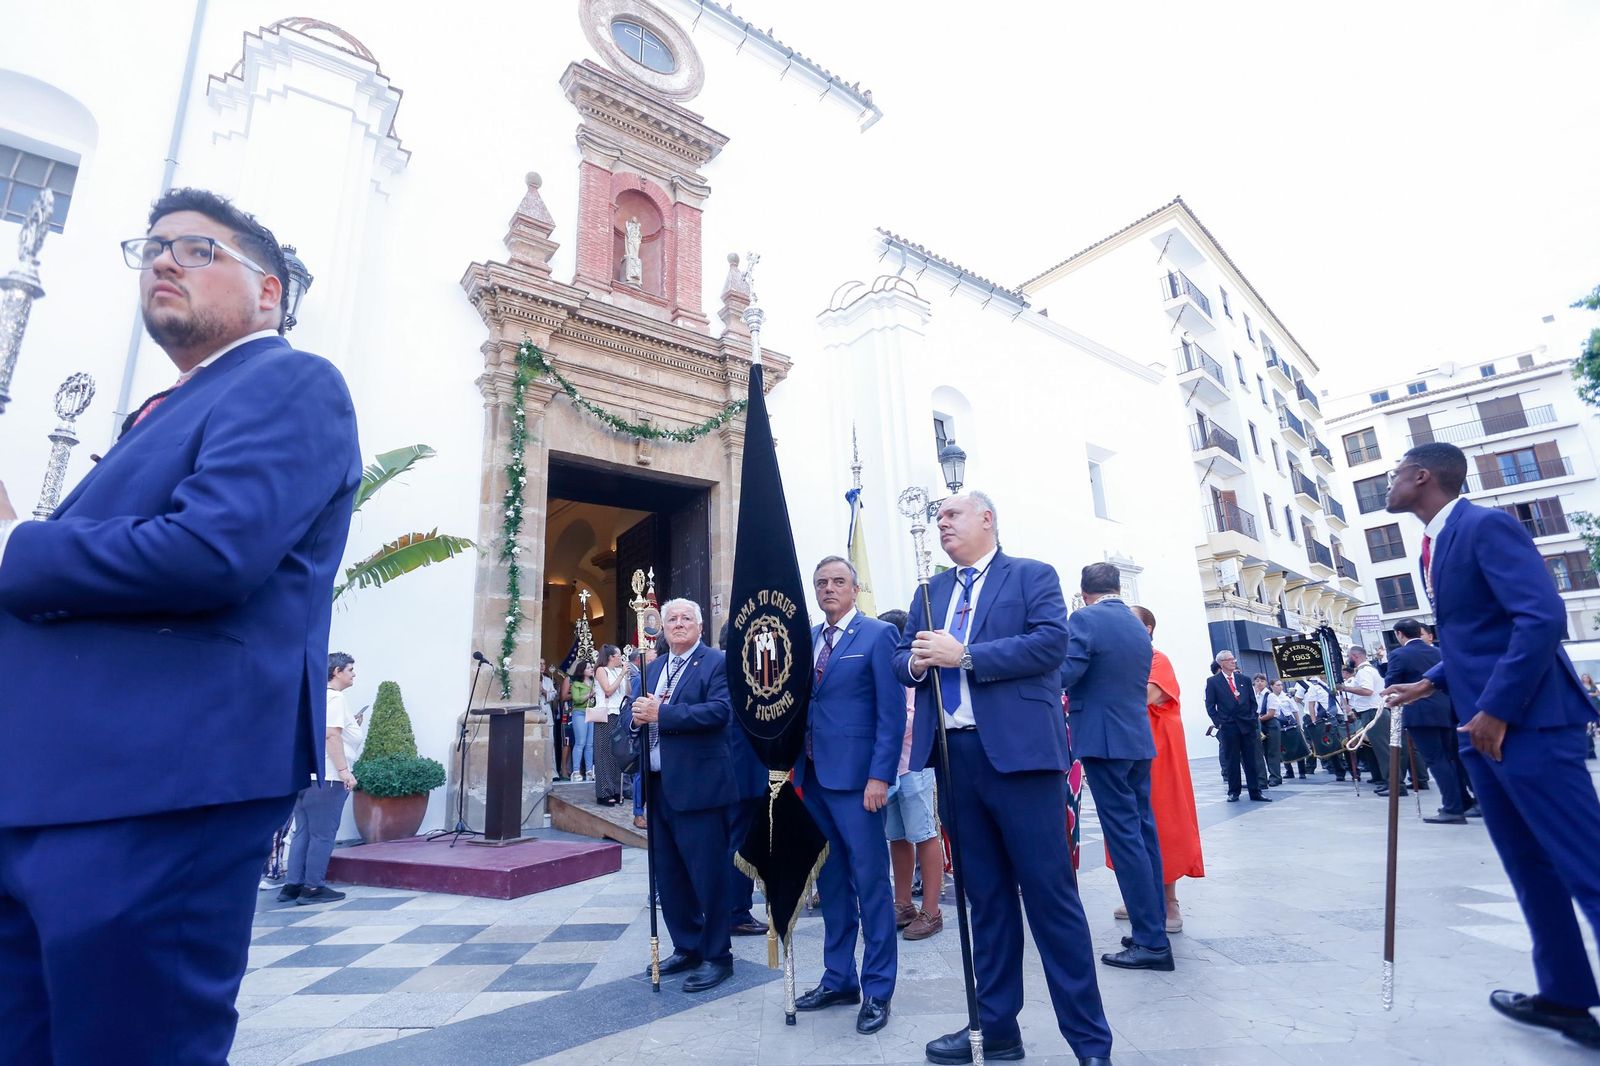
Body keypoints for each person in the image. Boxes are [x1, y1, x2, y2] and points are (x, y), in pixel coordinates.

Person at [0, 187, 359, 1064]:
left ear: (269, 293)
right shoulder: (158, 412)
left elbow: (212, 549)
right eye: (154, 246)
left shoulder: (290, 379)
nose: (164, 259)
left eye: (199, 250)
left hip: (160, 782)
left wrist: (18, 546)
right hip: (52, 781)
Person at [1381, 442, 1600, 1050]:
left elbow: (1540, 618)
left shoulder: (1485, 526)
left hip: (1526, 725)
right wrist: (1430, 680)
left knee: (1589, 865)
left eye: (1395, 473)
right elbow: (1478, 635)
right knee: (1530, 868)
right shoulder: (1435, 542)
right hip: (1484, 731)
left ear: (1422, 476)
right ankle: (1564, 995)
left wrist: (1496, 711)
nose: (1388, 485)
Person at [894, 491, 1113, 1066]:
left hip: (1022, 760)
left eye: (952, 515)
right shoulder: (930, 591)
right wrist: (918, 661)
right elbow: (902, 657)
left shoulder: (1031, 576)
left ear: (987, 519)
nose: (940, 524)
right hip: (955, 760)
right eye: (937, 518)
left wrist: (963, 655)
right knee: (985, 902)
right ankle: (995, 1031)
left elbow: (1049, 645)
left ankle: (1090, 1043)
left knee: (1050, 898)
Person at [791, 557, 903, 1034]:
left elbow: (890, 713)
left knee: (872, 884)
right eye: (821, 583)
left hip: (858, 784)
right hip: (813, 779)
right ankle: (839, 977)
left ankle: (878, 988)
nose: (829, 589)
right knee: (832, 884)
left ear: (856, 589)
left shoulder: (878, 636)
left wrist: (880, 776)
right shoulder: (810, 639)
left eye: (838, 581)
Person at [624, 598, 738, 993]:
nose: (677, 624)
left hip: (700, 787)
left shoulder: (715, 663)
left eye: (686, 618)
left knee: (707, 875)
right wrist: (638, 716)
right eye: (671, 619)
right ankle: (687, 945)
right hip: (657, 785)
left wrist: (663, 715)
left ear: (700, 626)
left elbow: (721, 712)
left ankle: (717, 954)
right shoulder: (651, 667)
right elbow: (632, 713)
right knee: (668, 875)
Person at [1059, 564, 1168, 973]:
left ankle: (1152, 943)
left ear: (1084, 592)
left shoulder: (1085, 618)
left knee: (1125, 838)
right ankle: (1149, 926)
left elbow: (1068, 672)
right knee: (1143, 832)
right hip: (1136, 738)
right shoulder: (1135, 621)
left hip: (1104, 740)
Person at [1113, 606, 1204, 934]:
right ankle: (1140, 895)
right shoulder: (1116, 660)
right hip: (1123, 748)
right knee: (1126, 821)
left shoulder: (1157, 659)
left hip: (1158, 754)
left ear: (1148, 628)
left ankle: (1169, 901)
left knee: (1162, 819)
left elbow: (1148, 694)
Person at [878, 608, 945, 942]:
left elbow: (909, 717)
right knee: (898, 836)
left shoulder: (915, 669)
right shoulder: (888, 667)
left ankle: (931, 909)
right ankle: (902, 902)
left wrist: (879, 731)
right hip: (889, 766)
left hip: (914, 762)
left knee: (924, 833)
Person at [280, 652, 365, 904]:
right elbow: (330, 736)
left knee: (303, 832)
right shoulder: (335, 698)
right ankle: (313, 888)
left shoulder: (313, 698)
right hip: (328, 777)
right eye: (350, 669)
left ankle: (292, 886)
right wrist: (344, 771)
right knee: (323, 834)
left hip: (306, 774)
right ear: (336, 672)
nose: (353, 674)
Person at [1385, 618, 1467, 824]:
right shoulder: (1437, 651)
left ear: (1399, 634)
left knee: (1436, 760)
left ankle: (1452, 807)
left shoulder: (1398, 654)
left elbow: (1391, 684)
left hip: (1419, 710)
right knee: (1450, 758)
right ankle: (1463, 801)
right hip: (1445, 710)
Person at [720, 620, 769, 941]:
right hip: (744, 770)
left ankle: (727, 907)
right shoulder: (740, 670)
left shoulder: (715, 667)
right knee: (740, 843)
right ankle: (735, 911)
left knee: (732, 840)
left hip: (728, 771)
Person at [1205, 652, 1270, 802]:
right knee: (1232, 759)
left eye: (1233, 659)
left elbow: (1253, 702)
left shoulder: (1244, 680)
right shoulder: (1213, 682)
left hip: (1246, 724)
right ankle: (1234, 791)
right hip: (1228, 726)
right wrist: (1219, 723)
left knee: (1251, 759)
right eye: (1229, 660)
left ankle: (1256, 791)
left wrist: (1253, 719)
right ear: (1221, 663)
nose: (1233, 661)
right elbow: (1210, 705)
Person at [1343, 648, 1399, 794]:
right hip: (1372, 712)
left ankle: (1395, 785)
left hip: (1374, 712)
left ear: (1355, 656)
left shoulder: (1364, 671)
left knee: (1383, 750)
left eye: (1349, 656)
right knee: (1381, 749)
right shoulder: (1366, 670)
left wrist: (1345, 688)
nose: (1348, 659)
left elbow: (1367, 691)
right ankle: (1390, 782)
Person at [593, 645, 627, 805]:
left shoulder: (617, 672)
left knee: (617, 753)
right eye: (619, 655)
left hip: (619, 713)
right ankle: (604, 792)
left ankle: (616, 789)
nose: (621, 658)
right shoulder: (602, 670)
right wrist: (621, 675)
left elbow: (627, 692)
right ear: (611, 657)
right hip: (606, 714)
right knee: (604, 753)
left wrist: (625, 676)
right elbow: (608, 690)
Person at [1251, 674, 1281, 788]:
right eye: (1257, 681)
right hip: (1259, 724)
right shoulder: (1255, 696)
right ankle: (1266, 777)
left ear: (1266, 683)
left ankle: (1275, 777)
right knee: (1262, 752)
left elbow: (1271, 713)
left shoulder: (1270, 695)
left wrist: (1258, 719)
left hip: (1271, 723)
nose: (1259, 683)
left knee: (1272, 752)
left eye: (1262, 681)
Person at [568, 660, 596, 782]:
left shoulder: (594, 682)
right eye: (588, 668)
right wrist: (589, 695)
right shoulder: (576, 684)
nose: (591, 669)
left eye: (591, 667)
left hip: (592, 713)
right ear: (582, 671)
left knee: (590, 744)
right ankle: (575, 771)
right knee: (580, 742)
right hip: (579, 713)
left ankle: (589, 770)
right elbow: (576, 699)